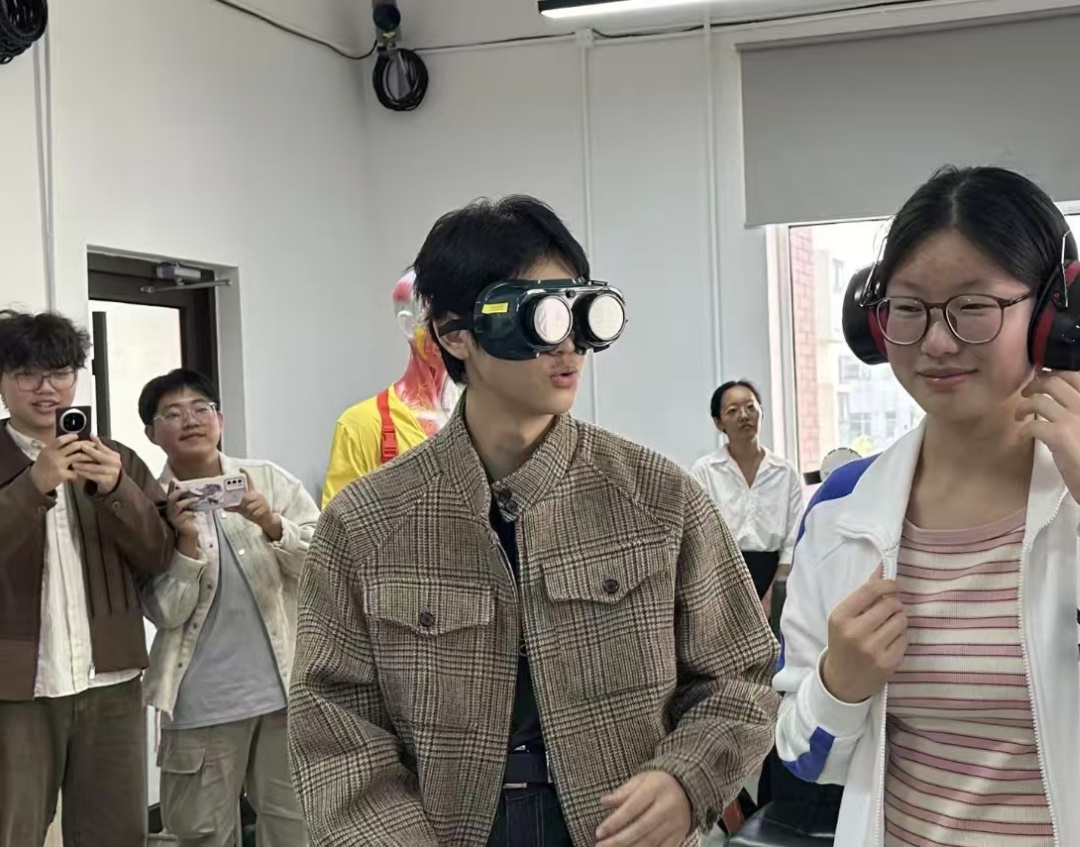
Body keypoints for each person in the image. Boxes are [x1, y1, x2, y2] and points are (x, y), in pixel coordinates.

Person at [773, 166, 1080, 846]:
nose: (936, 341)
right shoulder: (841, 510)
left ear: (1055, 317)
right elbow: (807, 758)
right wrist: (839, 685)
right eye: (908, 308)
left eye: (974, 306)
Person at [288, 195, 779, 847]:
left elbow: (741, 676)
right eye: (539, 315)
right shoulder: (365, 526)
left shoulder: (660, 499)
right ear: (454, 333)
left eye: (579, 311)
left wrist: (687, 780)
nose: (568, 344)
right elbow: (333, 726)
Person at [0, 309, 174, 847]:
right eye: (28, 374)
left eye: (60, 372)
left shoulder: (116, 458)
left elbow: (158, 554)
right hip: (15, 688)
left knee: (115, 832)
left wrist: (119, 490)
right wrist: (34, 484)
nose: (46, 388)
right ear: (2, 381)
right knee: (12, 830)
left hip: (111, 681)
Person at [136, 369, 319, 846]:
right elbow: (165, 613)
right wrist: (186, 545)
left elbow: (323, 567)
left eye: (201, 409)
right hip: (201, 701)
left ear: (220, 419)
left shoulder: (268, 480)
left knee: (296, 828)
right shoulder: (148, 507)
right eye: (173, 414)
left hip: (286, 692)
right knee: (201, 833)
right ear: (152, 433)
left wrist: (272, 523)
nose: (190, 420)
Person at [321, 269, 457, 506]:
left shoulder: (484, 416)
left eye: (456, 320)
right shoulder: (361, 426)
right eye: (436, 319)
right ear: (408, 325)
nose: (450, 335)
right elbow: (338, 525)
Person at [692, 380, 804, 617]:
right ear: (719, 422)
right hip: (720, 580)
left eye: (751, 407)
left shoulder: (785, 473)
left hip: (776, 579)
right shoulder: (705, 471)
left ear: (761, 412)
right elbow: (700, 539)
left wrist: (772, 600)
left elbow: (793, 543)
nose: (744, 415)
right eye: (733, 411)